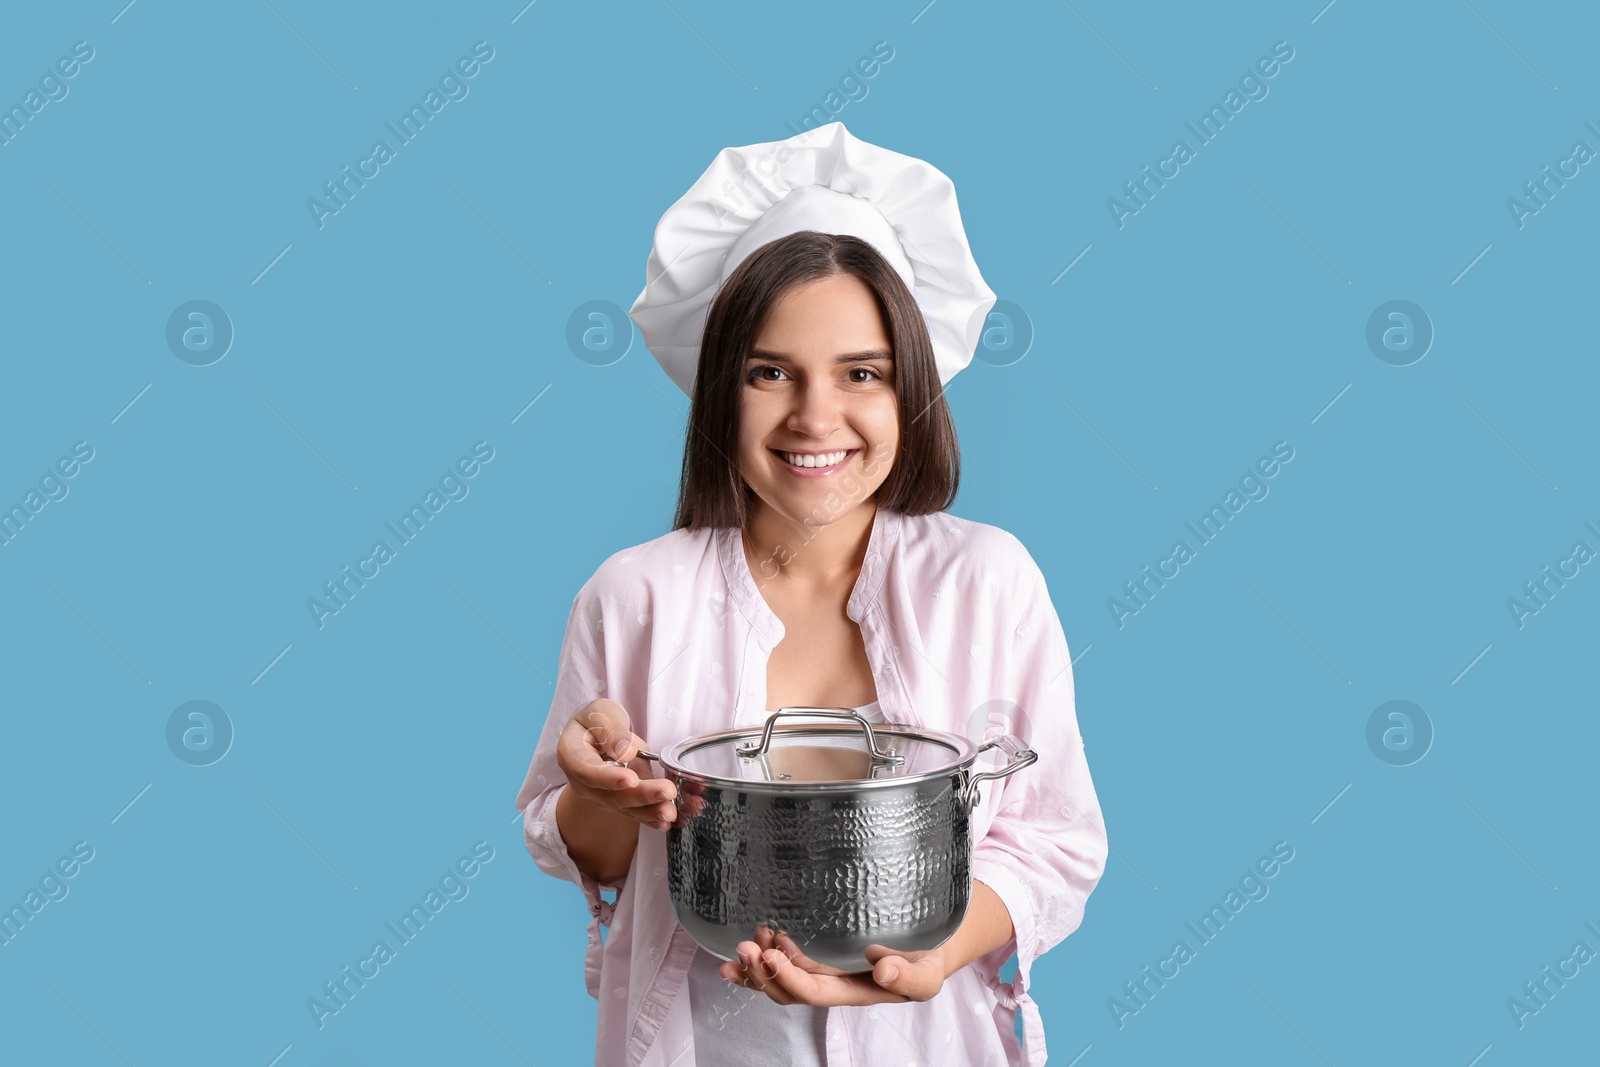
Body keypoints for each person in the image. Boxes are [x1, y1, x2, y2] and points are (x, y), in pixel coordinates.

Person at [514, 122, 1108, 1067]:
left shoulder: (991, 583)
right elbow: (587, 848)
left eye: (861, 372)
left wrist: (936, 953)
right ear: (721, 390)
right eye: (769, 372)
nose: (815, 416)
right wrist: (601, 791)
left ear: (909, 386)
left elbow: (1050, 838)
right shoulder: (632, 597)